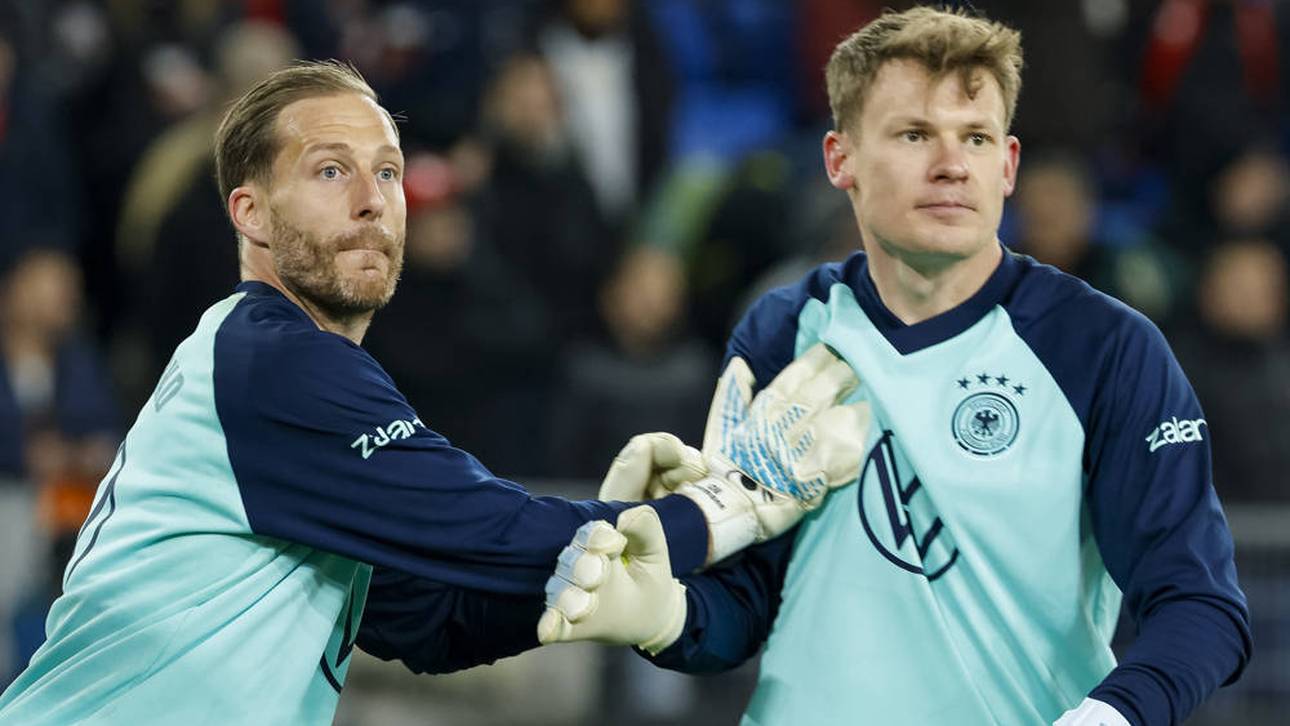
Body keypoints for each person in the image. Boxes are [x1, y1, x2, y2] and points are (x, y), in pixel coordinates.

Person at [0, 61, 871, 724]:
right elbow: (488, 530)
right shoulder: (274, 361)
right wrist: (741, 499)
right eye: (330, 171)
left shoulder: (257, 368)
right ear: (250, 213)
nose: (374, 200)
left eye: (387, 172)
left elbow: (431, 621)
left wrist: (595, 572)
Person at [539, 7, 1252, 725]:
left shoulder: (1104, 348)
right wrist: (667, 615)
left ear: (1007, 166)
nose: (950, 164)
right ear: (839, 159)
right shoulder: (784, 327)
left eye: (974, 137)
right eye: (915, 134)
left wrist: (1117, 714)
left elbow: (1200, 604)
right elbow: (747, 601)